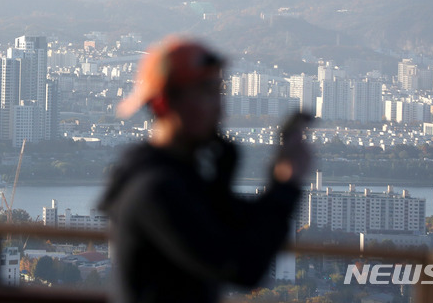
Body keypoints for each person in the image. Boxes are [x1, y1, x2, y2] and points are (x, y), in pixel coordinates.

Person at [99, 36, 312, 303]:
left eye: (219, 91)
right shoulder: (155, 189)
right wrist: (286, 184)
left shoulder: (178, 176)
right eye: (207, 92)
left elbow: (239, 230)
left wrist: (230, 178)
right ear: (165, 103)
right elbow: (243, 266)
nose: (219, 106)